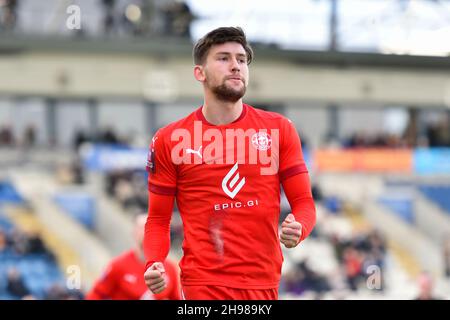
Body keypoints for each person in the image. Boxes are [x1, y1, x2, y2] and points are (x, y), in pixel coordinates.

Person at [143, 26, 316, 300]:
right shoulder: (170, 139)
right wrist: (154, 261)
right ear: (200, 73)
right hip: (203, 283)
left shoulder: (279, 129)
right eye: (223, 58)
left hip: (264, 283)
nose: (236, 66)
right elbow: (158, 219)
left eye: (241, 59)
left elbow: (304, 203)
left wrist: (300, 228)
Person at [86, 214, 180, 300]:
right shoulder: (118, 265)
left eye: (152, 227)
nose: (148, 232)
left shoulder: (170, 269)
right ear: (134, 232)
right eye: (143, 227)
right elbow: (95, 295)